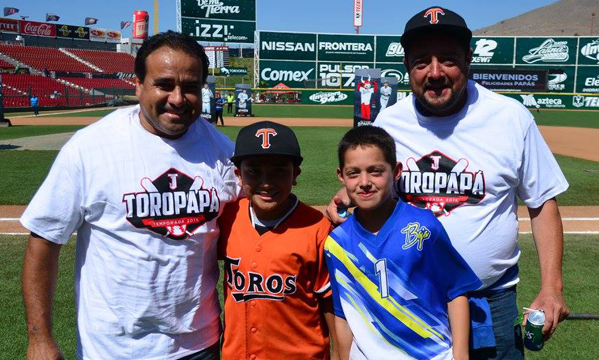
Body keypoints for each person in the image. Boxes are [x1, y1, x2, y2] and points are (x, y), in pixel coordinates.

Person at [328, 7, 570, 360]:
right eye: (422, 61)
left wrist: (552, 286)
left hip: (490, 301)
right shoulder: (390, 121)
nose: (435, 72)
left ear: (469, 60)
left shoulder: (509, 117)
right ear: (408, 66)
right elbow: (376, 179)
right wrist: (350, 195)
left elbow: (542, 202)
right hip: (406, 301)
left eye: (448, 60)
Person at [21, 30, 240, 360]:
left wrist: (341, 202)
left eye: (190, 87)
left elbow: (263, 212)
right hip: (112, 347)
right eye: (164, 84)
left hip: (199, 344)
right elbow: (44, 240)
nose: (178, 98)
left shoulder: (223, 153)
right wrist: (40, 338)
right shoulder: (90, 147)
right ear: (138, 84)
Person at [326, 126, 481, 360]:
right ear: (341, 176)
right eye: (353, 173)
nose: (365, 182)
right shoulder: (337, 243)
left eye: (376, 171)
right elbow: (343, 314)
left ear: (396, 171)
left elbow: (456, 291)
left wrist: (461, 355)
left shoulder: (424, 226)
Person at [218, 121, 337, 360]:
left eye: (279, 170)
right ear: (239, 175)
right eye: (254, 171)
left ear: (296, 175)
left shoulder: (318, 229)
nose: (266, 182)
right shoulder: (228, 217)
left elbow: (331, 305)